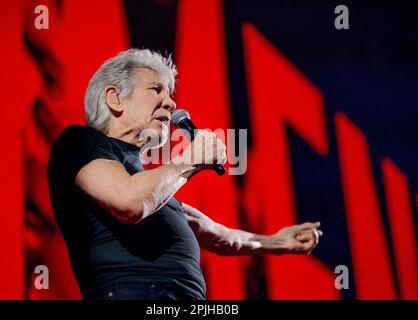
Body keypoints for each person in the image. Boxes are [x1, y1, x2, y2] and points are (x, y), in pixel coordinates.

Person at [47, 48, 322, 300]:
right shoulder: (79, 143)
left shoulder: (160, 192)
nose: (170, 103)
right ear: (114, 98)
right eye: (156, 90)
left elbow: (221, 236)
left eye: (170, 95)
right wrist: (191, 159)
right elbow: (128, 202)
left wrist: (278, 241)